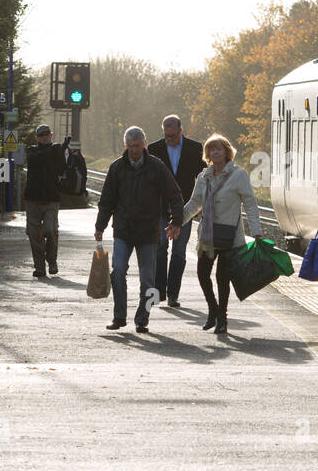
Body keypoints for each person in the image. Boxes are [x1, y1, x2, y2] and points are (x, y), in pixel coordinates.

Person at [94, 126, 184, 333]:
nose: (133, 150)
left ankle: (142, 318)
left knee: (148, 279)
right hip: (123, 230)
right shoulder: (117, 168)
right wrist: (101, 225)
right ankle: (119, 316)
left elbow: (174, 195)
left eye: (137, 146)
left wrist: (176, 221)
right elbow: (107, 200)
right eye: (130, 146)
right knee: (117, 272)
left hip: (148, 231)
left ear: (144, 144)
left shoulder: (156, 167)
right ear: (125, 146)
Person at [180, 134, 261, 333]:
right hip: (208, 235)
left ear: (227, 152)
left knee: (222, 277)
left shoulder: (238, 175)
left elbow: (250, 203)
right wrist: (177, 223)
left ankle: (222, 318)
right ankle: (213, 310)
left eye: (219, 149)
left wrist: (257, 231)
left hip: (229, 235)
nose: (216, 152)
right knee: (202, 274)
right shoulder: (204, 176)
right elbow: (194, 203)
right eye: (212, 149)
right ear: (207, 154)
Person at [148, 115, 206, 307]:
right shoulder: (154, 149)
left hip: (184, 209)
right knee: (160, 248)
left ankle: (173, 294)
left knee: (179, 252)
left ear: (181, 131)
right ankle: (159, 291)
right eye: (166, 136)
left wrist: (201, 204)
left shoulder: (195, 149)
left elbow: (204, 177)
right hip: (161, 208)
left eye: (172, 136)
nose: (169, 139)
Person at [24, 124, 65, 278]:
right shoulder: (32, 151)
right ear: (37, 137)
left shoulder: (57, 151)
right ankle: (39, 267)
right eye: (41, 135)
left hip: (51, 199)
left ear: (51, 135)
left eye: (47, 134)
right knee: (34, 234)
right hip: (32, 199)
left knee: (51, 230)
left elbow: (62, 168)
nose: (44, 137)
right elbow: (36, 160)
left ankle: (52, 261)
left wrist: (61, 152)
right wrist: (54, 150)